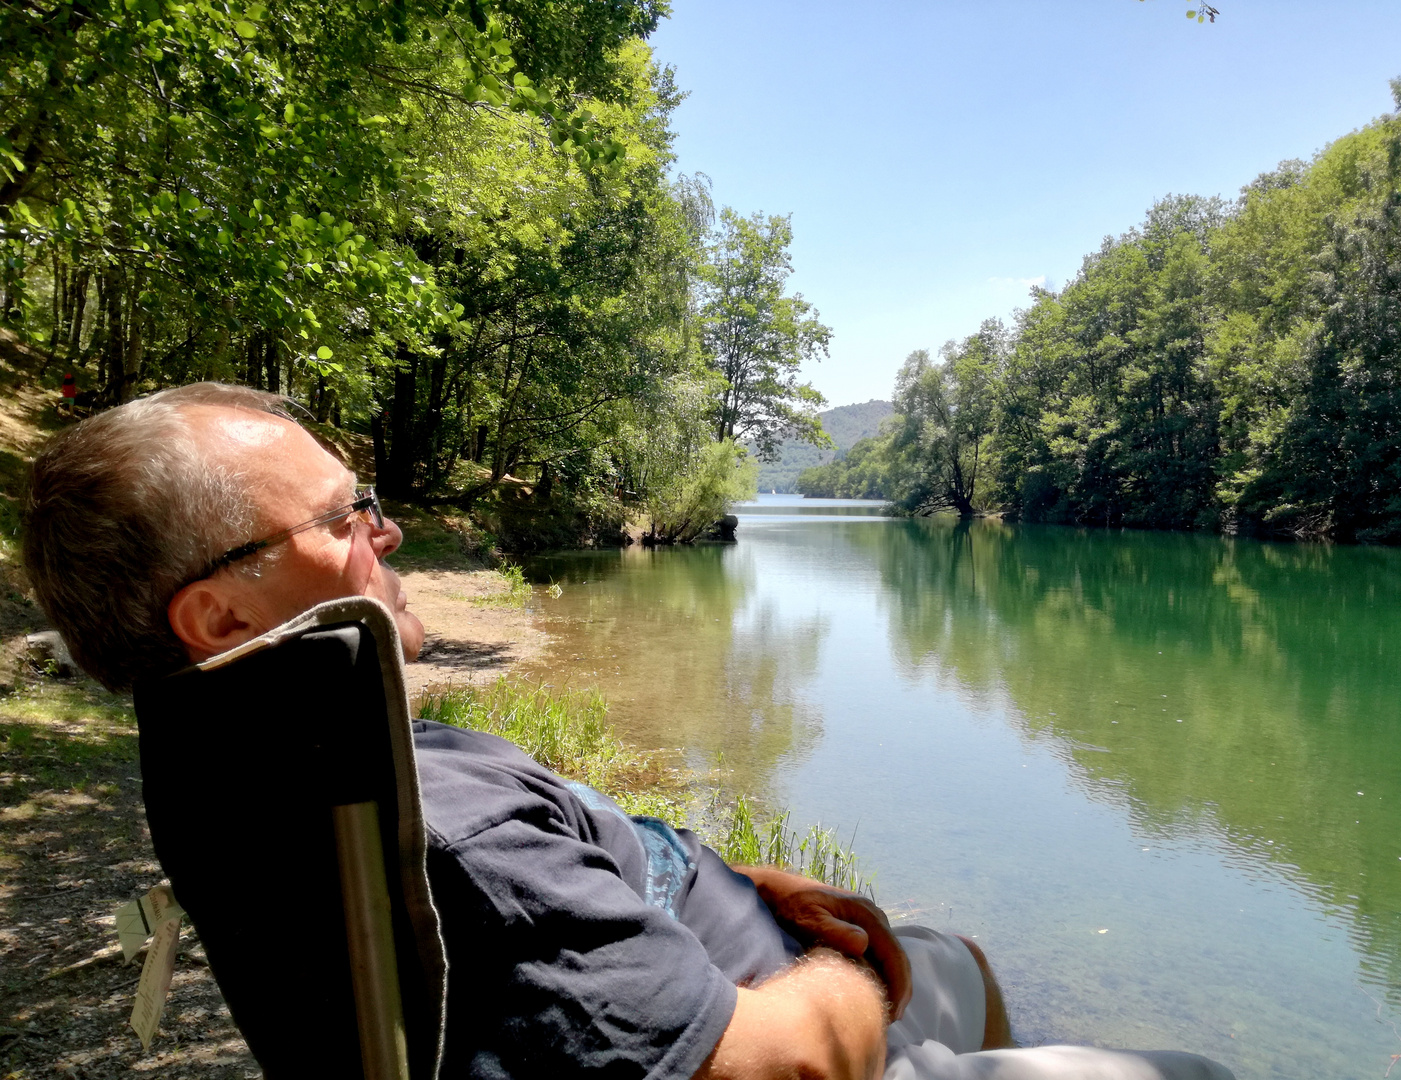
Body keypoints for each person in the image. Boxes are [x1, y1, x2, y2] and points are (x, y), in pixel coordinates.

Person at [22, 383, 1235, 1080]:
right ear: (218, 611)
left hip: (737, 945)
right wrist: (847, 974)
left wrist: (739, 878)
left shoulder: (284, 765)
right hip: (792, 1020)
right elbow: (781, 1069)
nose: (386, 533)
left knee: (960, 956)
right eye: (345, 516)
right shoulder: (459, 853)